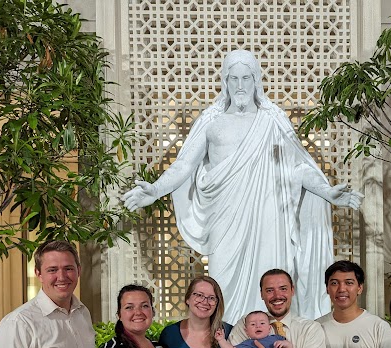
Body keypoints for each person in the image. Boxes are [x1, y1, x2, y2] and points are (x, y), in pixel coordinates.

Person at [121, 49, 362, 324]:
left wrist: (327, 192)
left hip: (270, 217)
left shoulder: (272, 119)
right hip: (225, 219)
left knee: (272, 283)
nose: (239, 85)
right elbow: (184, 165)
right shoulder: (212, 121)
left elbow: (298, 167)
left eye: (246, 78)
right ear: (224, 81)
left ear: (256, 80)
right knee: (222, 285)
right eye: (233, 78)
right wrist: (155, 190)